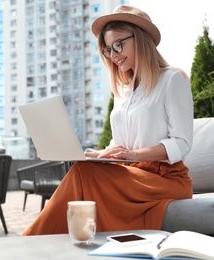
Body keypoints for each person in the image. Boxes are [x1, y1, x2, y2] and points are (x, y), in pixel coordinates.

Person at [22, 5, 193, 236]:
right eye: (108, 50)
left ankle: (33, 241)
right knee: (84, 166)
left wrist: (134, 155)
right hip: (130, 174)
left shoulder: (173, 79)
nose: (113, 56)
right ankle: (54, 242)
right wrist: (101, 154)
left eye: (118, 45)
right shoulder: (124, 91)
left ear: (140, 38)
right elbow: (120, 143)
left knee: (83, 174)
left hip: (164, 179)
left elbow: (182, 143)